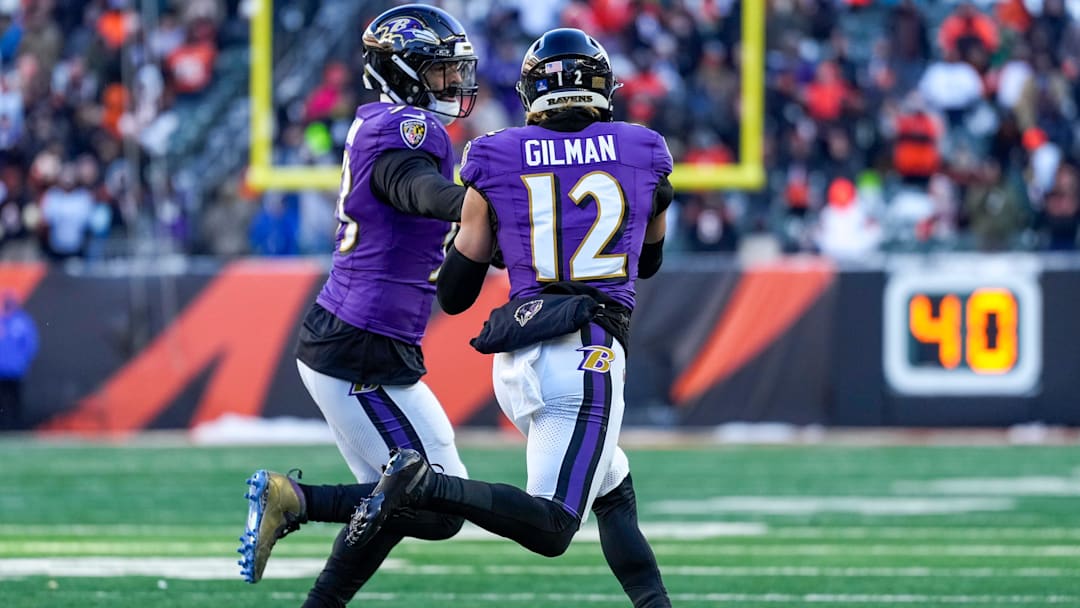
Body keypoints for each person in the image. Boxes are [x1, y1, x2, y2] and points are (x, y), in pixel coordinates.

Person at [348, 28, 673, 608]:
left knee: (614, 488)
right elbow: (648, 261)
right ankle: (426, 485)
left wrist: (501, 225)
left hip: (518, 358)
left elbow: (454, 293)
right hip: (587, 356)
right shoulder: (643, 147)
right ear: (600, 89)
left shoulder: (494, 153)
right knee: (553, 527)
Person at [235, 5, 478, 606]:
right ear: (401, 71)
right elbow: (413, 186)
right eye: (441, 70)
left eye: (455, 70)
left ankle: (315, 576)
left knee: (397, 499)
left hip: (372, 341)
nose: (454, 82)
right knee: (436, 500)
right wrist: (476, 202)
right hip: (358, 345)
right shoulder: (404, 130)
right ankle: (297, 500)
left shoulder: (391, 123)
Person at [0, 290, 39, 431]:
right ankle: (3, 428)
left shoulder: (22, 321)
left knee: (15, 401)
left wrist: (21, 363)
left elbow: (30, 345)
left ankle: (16, 428)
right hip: (1, 371)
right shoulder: (1, 321)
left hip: (16, 371)